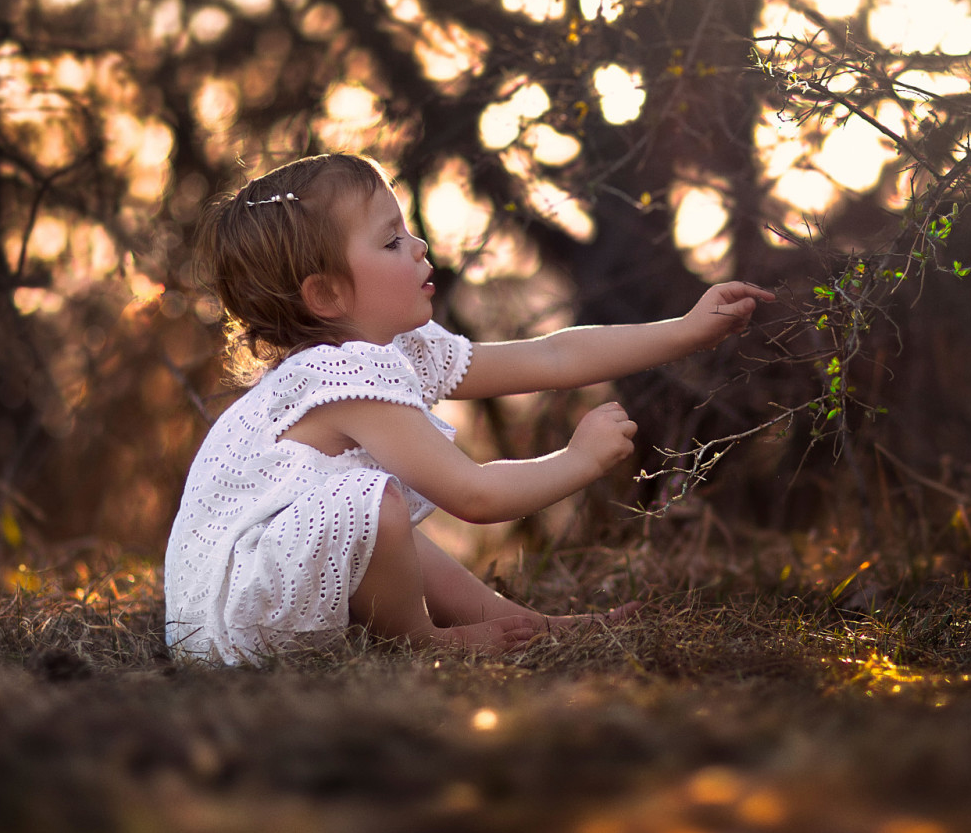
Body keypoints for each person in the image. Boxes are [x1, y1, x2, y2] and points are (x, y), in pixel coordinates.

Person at [164, 152, 773, 664]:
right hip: (229, 623)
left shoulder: (391, 351)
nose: (419, 245)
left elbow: (555, 357)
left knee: (374, 512)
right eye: (390, 240)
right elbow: (474, 497)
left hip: (253, 587)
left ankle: (519, 623)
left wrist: (686, 331)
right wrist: (578, 460)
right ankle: (423, 641)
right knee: (369, 502)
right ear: (326, 293)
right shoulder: (336, 373)